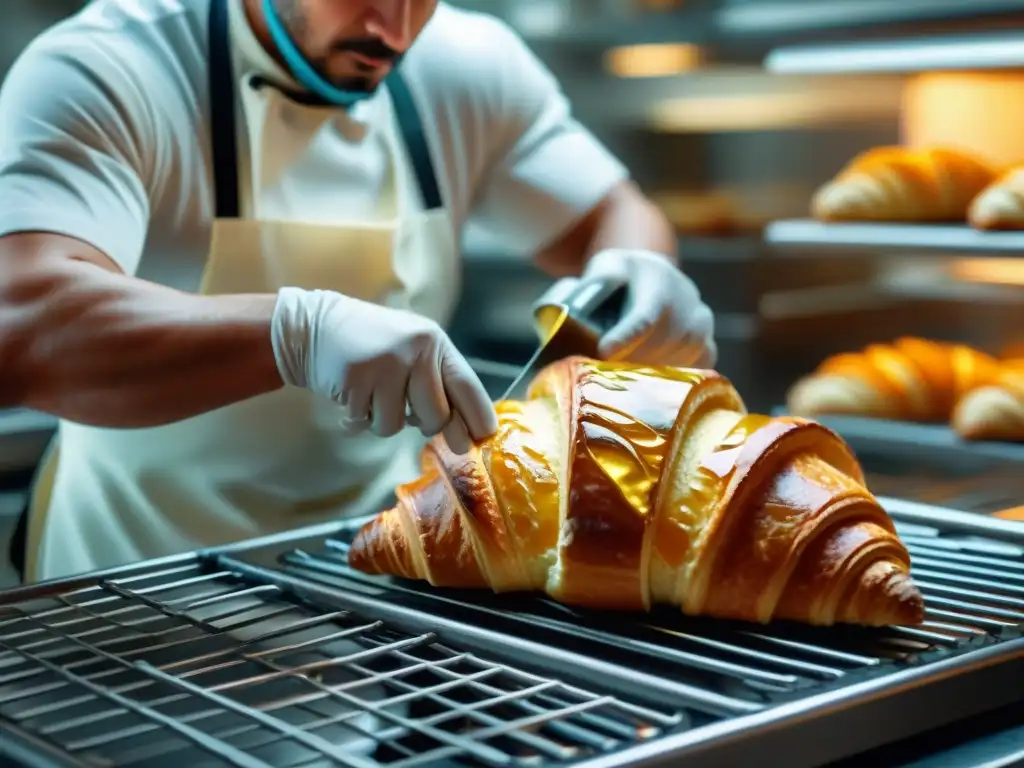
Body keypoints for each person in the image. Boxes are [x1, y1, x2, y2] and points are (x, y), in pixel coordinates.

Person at [0, 0, 717, 584]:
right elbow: (22, 324)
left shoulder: (466, 67)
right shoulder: (113, 67)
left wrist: (635, 271)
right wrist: (296, 333)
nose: (394, 29)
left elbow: (611, 216)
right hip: (127, 602)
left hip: (373, 605)